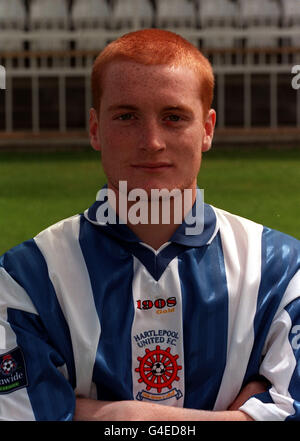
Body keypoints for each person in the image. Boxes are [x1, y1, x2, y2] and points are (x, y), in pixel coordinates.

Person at [0, 29, 300, 422]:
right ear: (95, 129)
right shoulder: (27, 278)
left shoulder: (281, 270)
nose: (152, 141)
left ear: (207, 129)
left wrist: (103, 414)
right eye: (127, 116)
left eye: (173, 117)